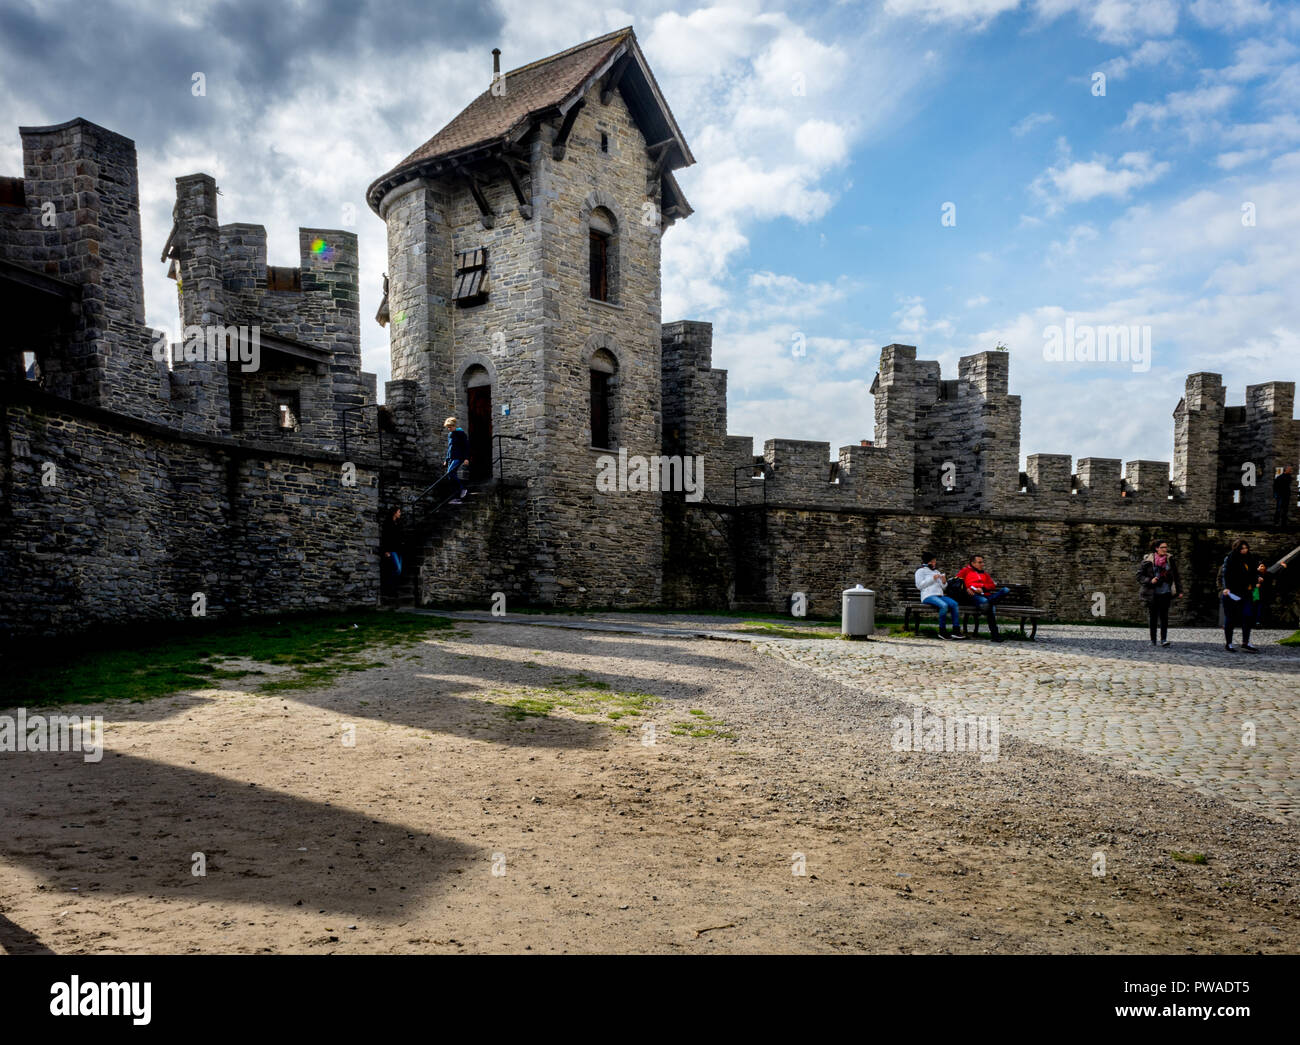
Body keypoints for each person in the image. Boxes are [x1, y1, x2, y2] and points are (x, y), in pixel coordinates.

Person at [1137, 538, 1182, 647]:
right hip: (1152, 593)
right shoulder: (1148, 560)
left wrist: (1179, 590)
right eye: (1163, 547)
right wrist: (1150, 580)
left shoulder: (1170, 559)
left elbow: (1176, 575)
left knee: (1164, 616)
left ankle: (1163, 639)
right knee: (1153, 617)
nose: (1165, 549)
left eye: (1166, 547)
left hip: (1165, 592)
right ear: (1156, 548)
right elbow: (1139, 576)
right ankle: (1153, 640)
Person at [955, 554, 1010, 641]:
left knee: (1005, 590)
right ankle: (995, 636)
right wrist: (966, 589)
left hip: (987, 596)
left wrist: (983, 588)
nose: (982, 564)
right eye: (980, 562)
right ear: (973, 563)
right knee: (989, 606)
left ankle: (988, 604)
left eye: (983, 562)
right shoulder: (965, 571)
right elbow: (955, 582)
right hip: (974, 596)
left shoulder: (985, 574)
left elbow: (992, 585)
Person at [1219, 539, 1260, 653]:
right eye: (1242, 548)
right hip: (1233, 592)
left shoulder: (1250, 559)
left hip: (1246, 592)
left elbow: (1252, 573)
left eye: (1246, 548)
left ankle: (1245, 642)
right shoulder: (1231, 559)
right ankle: (1229, 643)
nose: (1244, 550)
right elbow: (1225, 574)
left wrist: (1256, 580)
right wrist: (1226, 588)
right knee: (1230, 618)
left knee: (1247, 616)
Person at [915, 551, 966, 640]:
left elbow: (943, 587)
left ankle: (956, 630)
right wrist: (932, 578)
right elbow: (919, 586)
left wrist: (944, 581)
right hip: (928, 595)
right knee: (944, 606)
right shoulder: (920, 571)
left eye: (935, 561)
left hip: (939, 595)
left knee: (954, 604)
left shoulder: (936, 571)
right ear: (927, 562)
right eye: (933, 561)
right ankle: (942, 631)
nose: (935, 563)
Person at [443, 416, 470, 504]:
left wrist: (466, 458)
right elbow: (449, 448)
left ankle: (463, 489)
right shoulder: (450, 434)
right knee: (450, 476)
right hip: (451, 458)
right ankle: (456, 497)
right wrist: (446, 460)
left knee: (450, 473)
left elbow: (466, 446)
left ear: (454, 426)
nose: (448, 429)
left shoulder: (461, 433)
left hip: (458, 457)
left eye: (450, 427)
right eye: (447, 427)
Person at [380, 505, 404, 596]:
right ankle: (388, 587)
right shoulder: (387, 523)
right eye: (399, 512)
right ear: (394, 513)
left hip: (399, 550)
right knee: (397, 570)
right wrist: (386, 551)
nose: (400, 513)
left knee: (399, 571)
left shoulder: (398, 523)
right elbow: (385, 537)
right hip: (392, 550)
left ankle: (393, 588)